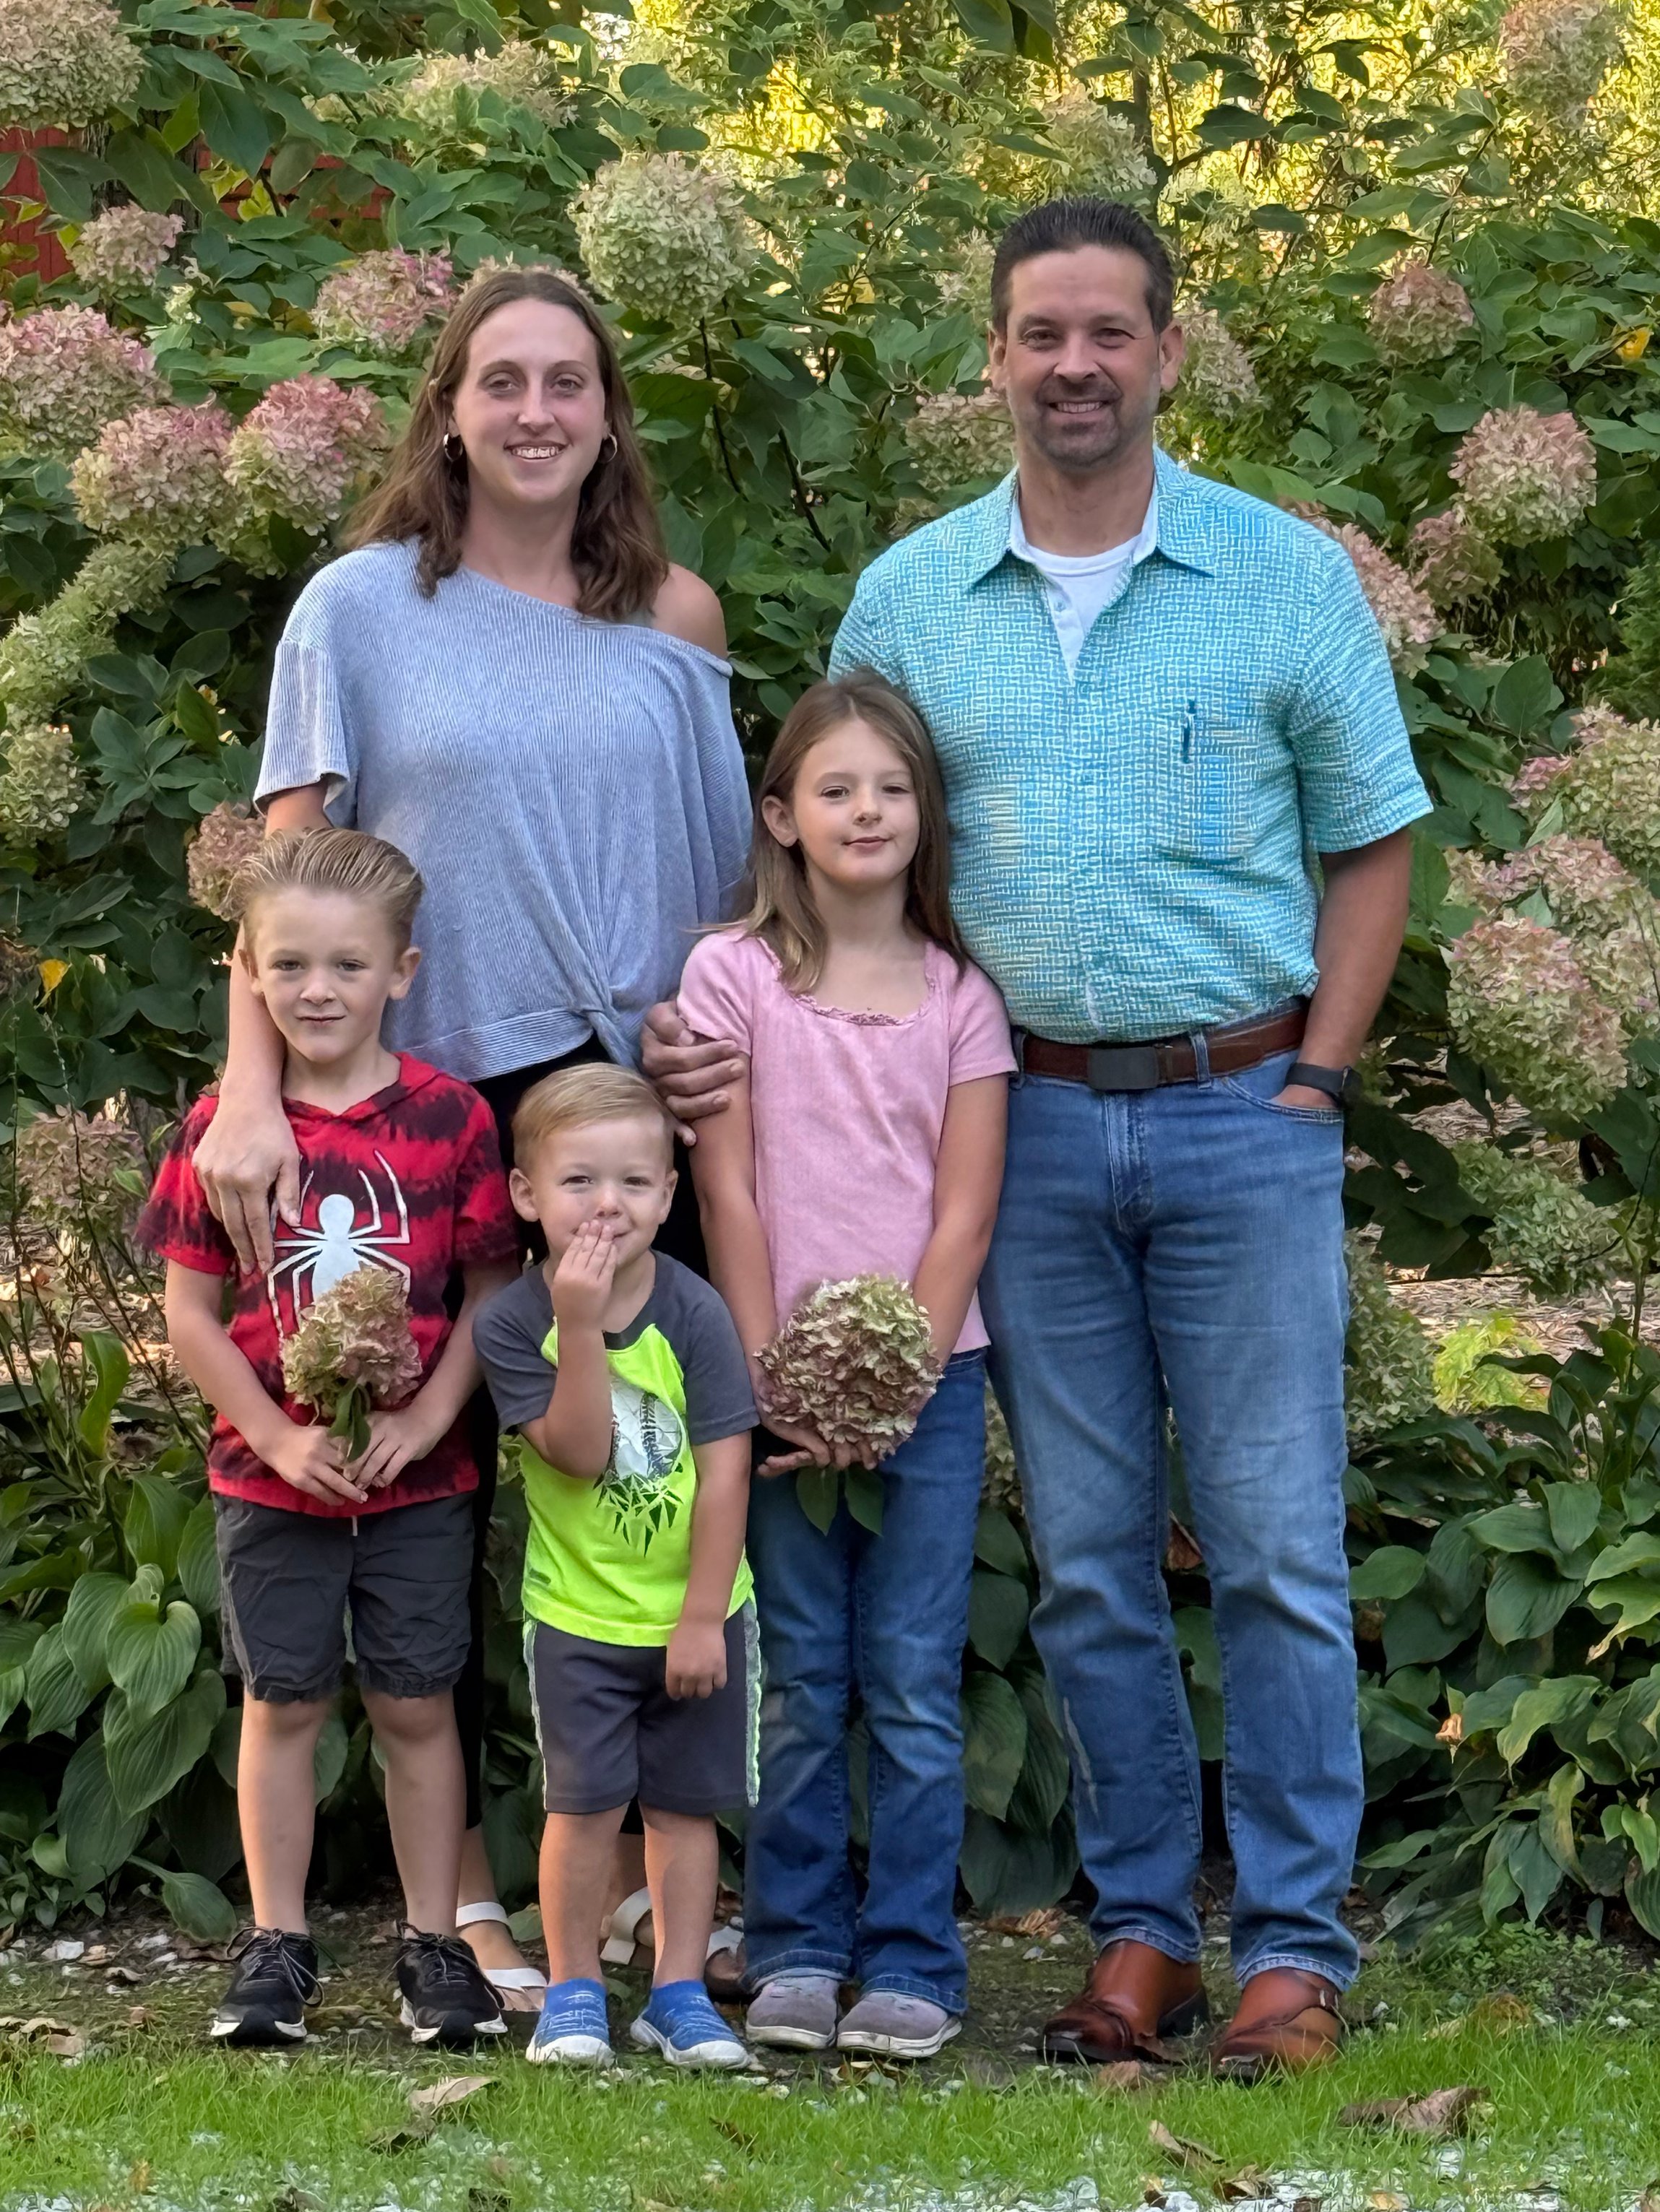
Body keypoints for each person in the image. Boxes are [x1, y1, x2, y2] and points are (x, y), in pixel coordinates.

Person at [646, 196, 1433, 2078]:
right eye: (1038, 333)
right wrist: (723, 1032)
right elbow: (835, 849)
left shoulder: (1279, 575)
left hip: (1249, 1114)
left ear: (1166, 347)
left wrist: (1321, 1072)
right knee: (1087, 1559)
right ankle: (1144, 1928)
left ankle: (1295, 1949)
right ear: (990, 357)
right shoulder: (912, 598)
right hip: (1027, 1135)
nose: (1073, 363)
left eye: (1108, 330)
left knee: (1272, 1551)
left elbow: (1376, 835)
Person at [190, 266, 752, 2004]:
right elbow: (291, 896)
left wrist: (715, 1038)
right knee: (442, 1500)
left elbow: (728, 880)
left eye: (565, 381)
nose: (531, 411)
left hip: (616, 1123)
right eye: (497, 379)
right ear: (447, 405)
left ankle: (654, 1885)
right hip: (415, 1120)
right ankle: (483, 1903)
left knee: (631, 1486)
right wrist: (256, 1091)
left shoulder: (674, 615)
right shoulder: (362, 608)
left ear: (606, 411)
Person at [677, 672, 1011, 2062]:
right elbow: (730, 1191)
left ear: (924, 815)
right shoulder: (732, 977)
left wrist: (894, 1384)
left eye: (890, 787)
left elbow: (963, 1212)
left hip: (929, 1392)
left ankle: (914, 1960)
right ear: (782, 816)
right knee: (805, 1673)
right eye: (835, 788)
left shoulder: (962, 997)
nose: (865, 809)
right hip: (770, 1386)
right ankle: (800, 1941)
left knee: (918, 1679)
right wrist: (775, 1377)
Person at [140, 828, 520, 2048]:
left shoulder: (453, 1121)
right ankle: (277, 1943)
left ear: (401, 971)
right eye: (288, 965)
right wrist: (274, 1434)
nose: (317, 990)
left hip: (420, 1480)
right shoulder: (223, 1131)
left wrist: (419, 1416)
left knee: (418, 1705)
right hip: (272, 1480)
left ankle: (432, 1940)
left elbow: (490, 1292)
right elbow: (189, 1315)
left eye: (347, 966)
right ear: (249, 972)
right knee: (283, 1703)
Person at [472, 1066, 756, 2069]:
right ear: (525, 1194)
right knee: (582, 1806)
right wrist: (581, 1321)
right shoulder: (512, 1322)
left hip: (695, 1609)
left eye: (635, 1183)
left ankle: (676, 1988)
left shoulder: (697, 1311)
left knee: (685, 1811)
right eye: (580, 1181)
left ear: (669, 1197)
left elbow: (726, 1476)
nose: (607, 1205)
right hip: (581, 1617)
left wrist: (697, 1617)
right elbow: (579, 1449)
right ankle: (575, 1987)